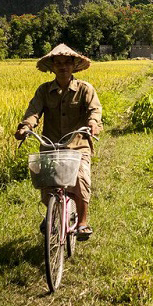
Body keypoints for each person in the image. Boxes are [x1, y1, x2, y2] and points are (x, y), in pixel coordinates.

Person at [15, 44, 102, 239]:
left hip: (78, 145)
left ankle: (82, 222)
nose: (63, 67)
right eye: (58, 63)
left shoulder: (85, 89)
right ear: (52, 67)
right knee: (46, 182)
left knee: (80, 179)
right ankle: (51, 212)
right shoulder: (44, 91)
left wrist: (93, 124)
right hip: (50, 145)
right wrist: (26, 126)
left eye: (67, 63)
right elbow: (33, 111)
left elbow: (94, 110)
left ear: (73, 66)